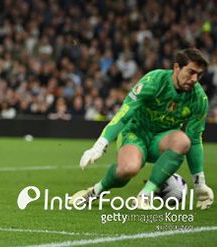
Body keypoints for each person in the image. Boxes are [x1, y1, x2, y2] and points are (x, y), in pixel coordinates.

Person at [72, 47, 214, 210]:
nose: (195, 79)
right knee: (128, 169)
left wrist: (199, 183)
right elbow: (125, 112)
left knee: (183, 141)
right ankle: (95, 191)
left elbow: (195, 139)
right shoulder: (154, 81)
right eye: (191, 72)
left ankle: (145, 195)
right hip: (136, 133)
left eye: (199, 75)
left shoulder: (199, 99)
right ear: (177, 67)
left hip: (162, 139)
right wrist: (100, 144)